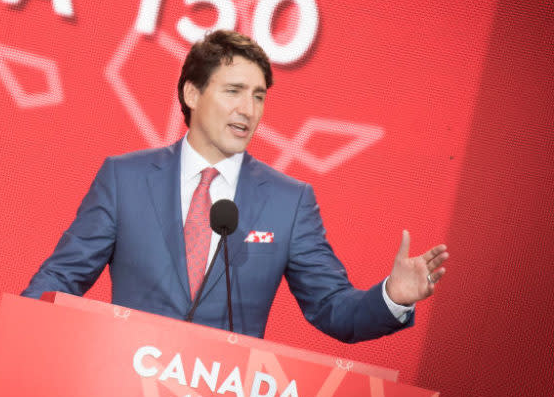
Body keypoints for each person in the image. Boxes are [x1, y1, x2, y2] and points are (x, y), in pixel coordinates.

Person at [22, 30, 448, 342]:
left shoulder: (290, 202)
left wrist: (394, 296)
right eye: (234, 91)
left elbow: (334, 309)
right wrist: (23, 332)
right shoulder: (125, 178)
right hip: (121, 396)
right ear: (192, 93)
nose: (248, 109)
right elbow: (63, 274)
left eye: (259, 96)